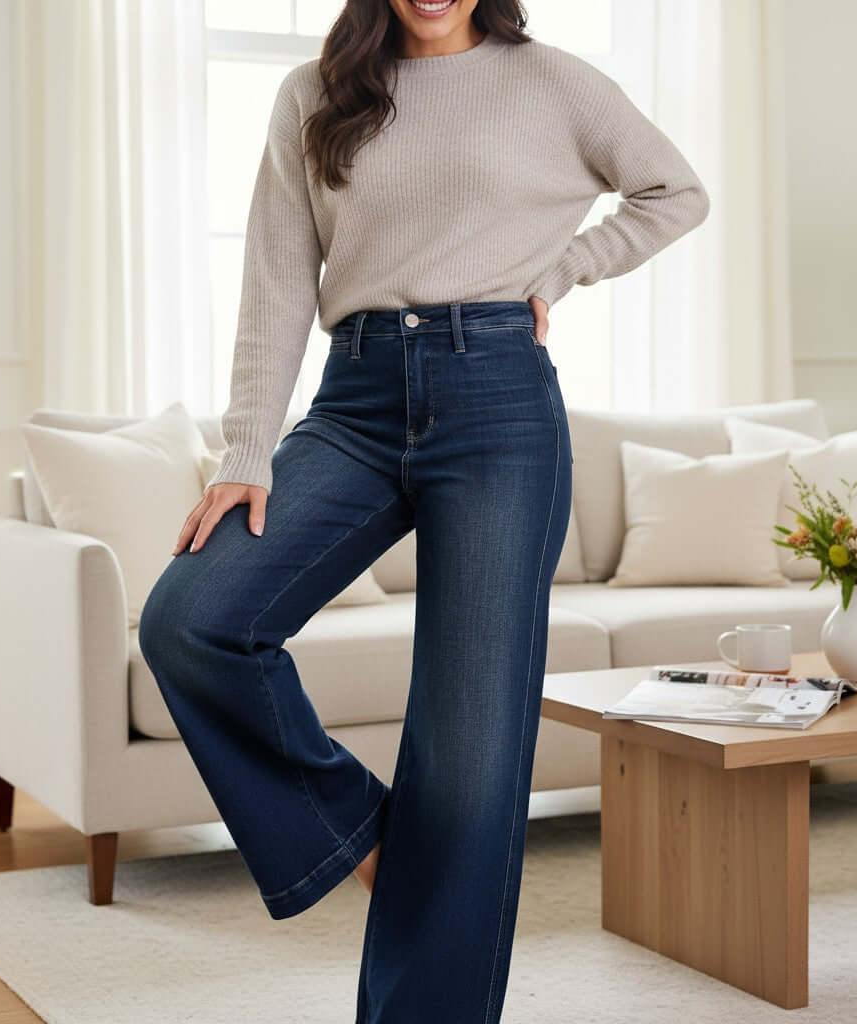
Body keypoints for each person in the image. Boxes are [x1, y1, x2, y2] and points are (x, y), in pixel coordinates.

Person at [138, 0, 709, 1020]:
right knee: (192, 618)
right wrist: (246, 449)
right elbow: (275, 274)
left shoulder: (551, 80)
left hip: (496, 394)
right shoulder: (315, 92)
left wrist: (567, 265)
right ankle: (363, 834)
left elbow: (675, 191)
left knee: (470, 751)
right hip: (353, 400)